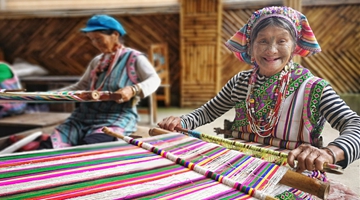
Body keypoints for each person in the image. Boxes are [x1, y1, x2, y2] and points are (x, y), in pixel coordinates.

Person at [158, 6, 359, 196]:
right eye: (262, 41)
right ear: (250, 46)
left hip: (292, 174)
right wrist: (182, 122)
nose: (271, 50)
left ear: (294, 45)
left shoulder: (314, 88)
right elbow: (208, 112)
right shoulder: (241, 82)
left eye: (282, 41)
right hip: (237, 164)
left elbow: (355, 125)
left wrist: (329, 153)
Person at [39, 14, 161, 149]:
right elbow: (82, 86)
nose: (95, 44)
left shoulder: (133, 58)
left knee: (89, 148)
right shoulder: (97, 61)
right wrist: (49, 95)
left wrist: (133, 89)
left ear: (115, 34)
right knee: (49, 146)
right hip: (83, 117)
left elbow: (154, 79)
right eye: (92, 40)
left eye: (98, 39)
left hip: (115, 118)